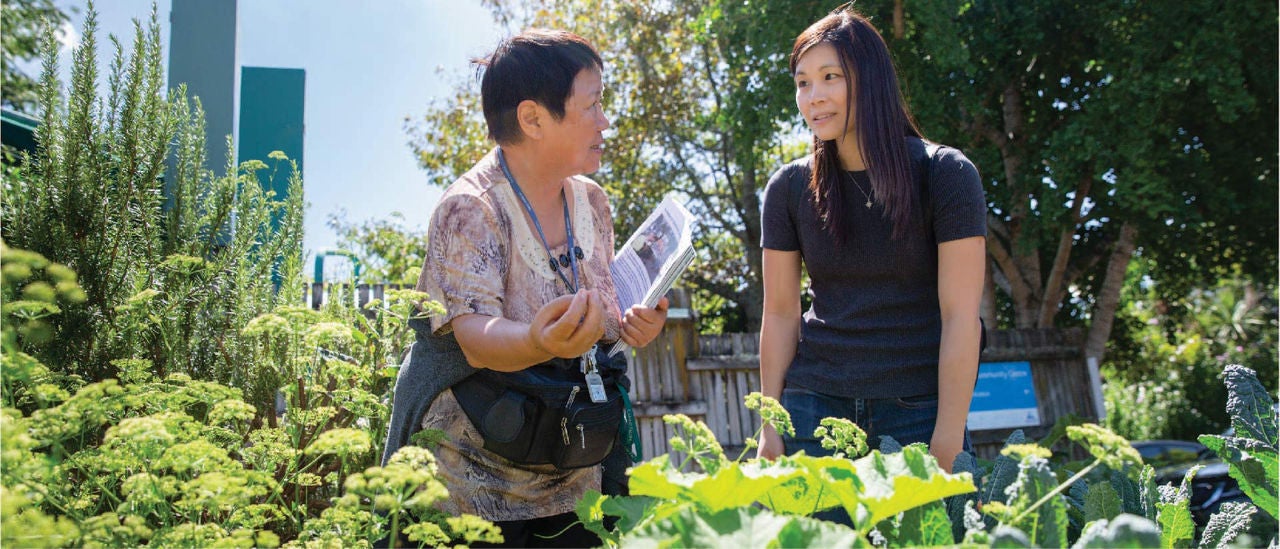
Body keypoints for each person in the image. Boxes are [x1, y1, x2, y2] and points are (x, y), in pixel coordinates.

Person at [405, 29, 668, 547]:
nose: (605, 120)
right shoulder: (469, 209)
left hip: (577, 477)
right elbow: (473, 335)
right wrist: (535, 343)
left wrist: (636, 325)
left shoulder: (593, 201)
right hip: (471, 490)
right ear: (532, 118)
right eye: (593, 105)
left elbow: (603, 316)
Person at [756, 5, 987, 480]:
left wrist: (948, 433)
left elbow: (962, 317)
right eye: (802, 82)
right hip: (813, 411)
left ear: (871, 80)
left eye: (830, 77)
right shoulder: (788, 188)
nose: (813, 96)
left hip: (919, 410)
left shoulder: (946, 174)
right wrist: (770, 425)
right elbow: (779, 313)